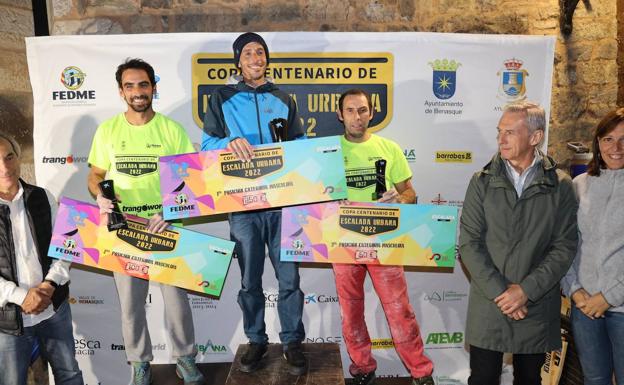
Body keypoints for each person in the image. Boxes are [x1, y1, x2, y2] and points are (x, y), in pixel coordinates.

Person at [87, 58, 204, 385]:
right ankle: (139, 363)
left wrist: (170, 212)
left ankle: (185, 358)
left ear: (153, 87)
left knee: (177, 304)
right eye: (130, 86)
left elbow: (190, 178)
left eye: (143, 84)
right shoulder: (108, 130)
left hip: (165, 227)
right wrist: (100, 194)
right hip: (123, 232)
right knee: (131, 307)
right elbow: (95, 174)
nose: (137, 91)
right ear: (121, 91)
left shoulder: (171, 130)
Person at [201, 32, 306, 375]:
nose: (255, 57)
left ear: (267, 59)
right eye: (248, 53)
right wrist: (229, 143)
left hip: (283, 207)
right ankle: (256, 339)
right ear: (238, 62)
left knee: (289, 278)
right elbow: (206, 146)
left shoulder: (284, 99)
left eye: (260, 52)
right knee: (250, 281)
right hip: (243, 205)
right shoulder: (223, 97)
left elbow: (301, 146)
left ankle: (292, 341)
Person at [459, 101, 578, 385]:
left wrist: (525, 291)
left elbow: (564, 247)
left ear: (535, 137)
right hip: (491, 301)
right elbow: (469, 244)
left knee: (529, 379)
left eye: (510, 132)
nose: (501, 139)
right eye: (500, 131)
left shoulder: (560, 186)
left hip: (535, 304)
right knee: (483, 378)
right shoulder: (482, 181)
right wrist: (504, 293)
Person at [333, 88, 434, 385]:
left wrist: (399, 200)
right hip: (344, 242)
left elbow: (411, 195)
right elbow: (315, 200)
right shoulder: (328, 152)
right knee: (351, 312)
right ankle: (363, 368)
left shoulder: (389, 149)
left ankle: (421, 372)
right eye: (350, 110)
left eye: (362, 110)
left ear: (371, 113)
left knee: (398, 310)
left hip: (385, 240)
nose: (357, 117)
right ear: (340, 115)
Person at [0, 133, 84, 385]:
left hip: (54, 308)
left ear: (18, 158)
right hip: (8, 319)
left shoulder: (43, 196)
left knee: (70, 375)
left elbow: (66, 245)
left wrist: (49, 284)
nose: (5, 167)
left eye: (9, 157)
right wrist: (21, 297)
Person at [561, 107, 624, 385]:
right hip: (584, 306)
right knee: (593, 379)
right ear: (598, 143)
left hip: (621, 308)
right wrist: (574, 290)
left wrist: (609, 296)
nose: (616, 147)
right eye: (608, 139)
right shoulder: (579, 185)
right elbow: (566, 243)